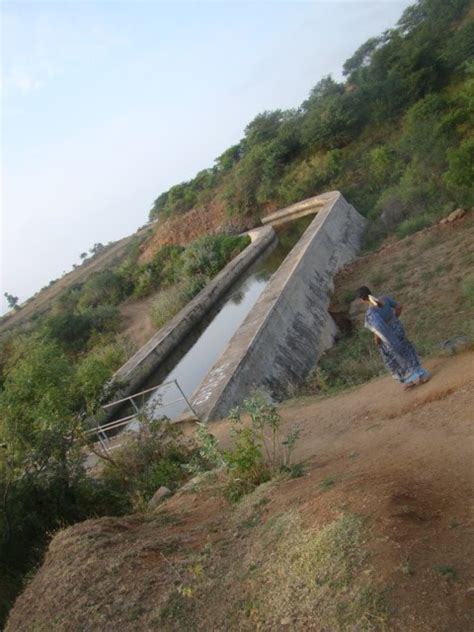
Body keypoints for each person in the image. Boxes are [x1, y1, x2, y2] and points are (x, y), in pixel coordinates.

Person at [356, 286, 431, 389]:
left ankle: (408, 381)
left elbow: (378, 329)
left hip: (388, 338)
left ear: (362, 300)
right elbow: (399, 307)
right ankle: (422, 375)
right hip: (398, 330)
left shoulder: (371, 313)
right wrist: (394, 319)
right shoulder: (385, 299)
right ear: (370, 292)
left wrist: (376, 340)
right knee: (407, 350)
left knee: (395, 358)